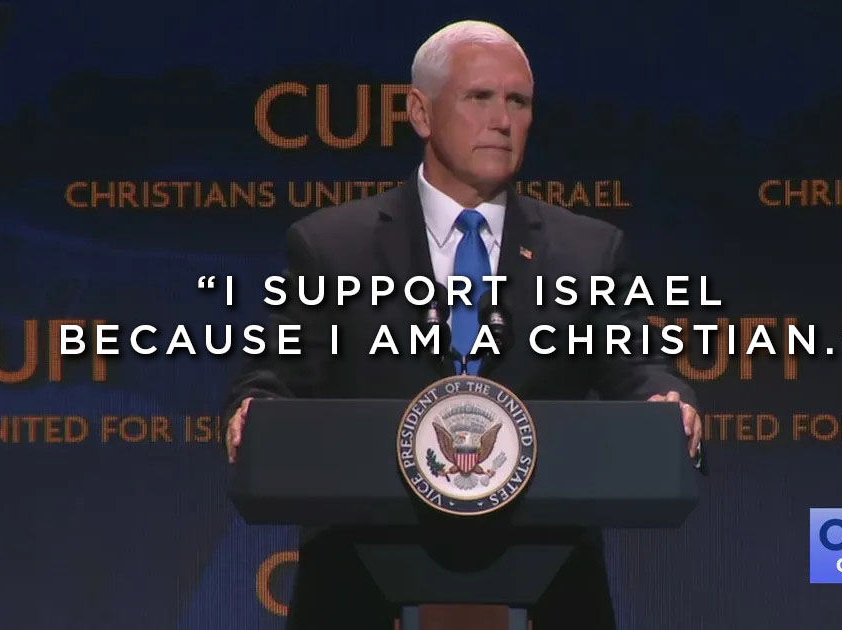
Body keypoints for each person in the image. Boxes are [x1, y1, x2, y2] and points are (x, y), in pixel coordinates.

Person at [224, 20, 703, 629]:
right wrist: (256, 411)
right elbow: (275, 376)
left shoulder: (589, 251)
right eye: (479, 97)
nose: (502, 120)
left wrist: (666, 399)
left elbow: (636, 366)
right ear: (420, 113)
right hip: (360, 578)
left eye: (518, 102)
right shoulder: (330, 246)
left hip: (547, 575)